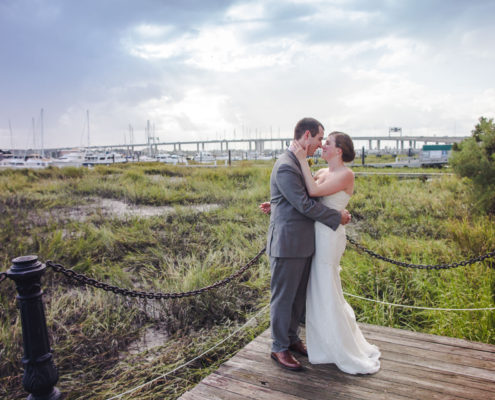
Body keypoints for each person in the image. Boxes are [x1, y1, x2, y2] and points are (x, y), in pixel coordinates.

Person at [263, 117, 351, 372]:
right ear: (307, 135)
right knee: (283, 298)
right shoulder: (286, 166)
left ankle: (291, 339)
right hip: (287, 245)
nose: (320, 144)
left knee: (297, 298)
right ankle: (278, 347)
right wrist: (337, 217)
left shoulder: (297, 163)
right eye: (319, 138)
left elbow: (302, 197)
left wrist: (275, 203)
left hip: (304, 243)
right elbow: (303, 204)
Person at [292, 131, 381, 374]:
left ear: (339, 150)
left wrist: (301, 159)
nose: (322, 146)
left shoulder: (346, 174)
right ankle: (323, 343)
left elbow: (311, 192)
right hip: (316, 233)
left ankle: (339, 346)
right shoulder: (322, 172)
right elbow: (301, 196)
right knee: (318, 287)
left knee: (326, 285)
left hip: (330, 236)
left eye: (327, 143)